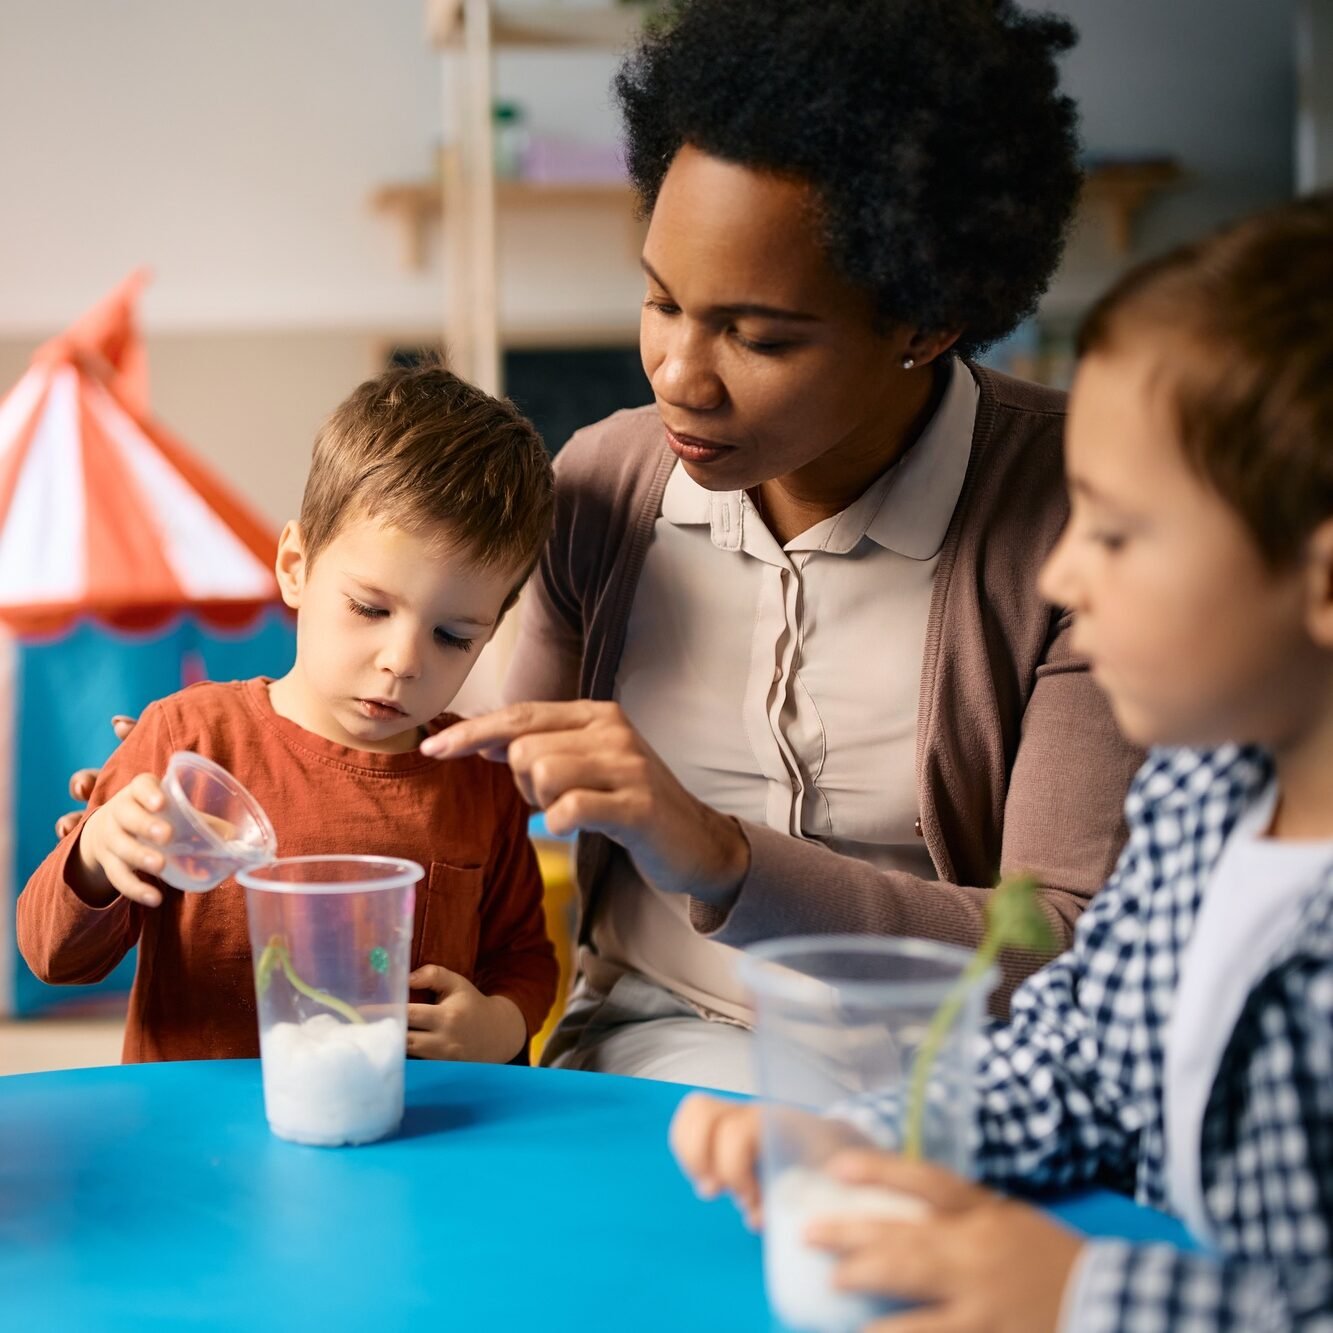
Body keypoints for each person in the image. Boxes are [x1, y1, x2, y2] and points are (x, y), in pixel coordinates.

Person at [417, 0, 1141, 1091]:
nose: (677, 374)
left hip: (943, 1085)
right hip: (650, 1051)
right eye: (661, 302)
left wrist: (722, 853)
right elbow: (477, 769)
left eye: (756, 336)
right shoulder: (604, 488)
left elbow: (1058, 942)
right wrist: (240, 754)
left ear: (926, 322)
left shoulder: (1074, 513)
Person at [671, 194, 1333, 1329]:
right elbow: (1078, 1056)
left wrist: (1085, 1296)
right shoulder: (1201, 791)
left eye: (1117, 533)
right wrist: (875, 1130)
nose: (1062, 575)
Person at [21, 363, 558, 1066]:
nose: (402, 659)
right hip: (200, 1142)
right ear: (296, 566)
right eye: (370, 608)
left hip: (405, 1141)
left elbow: (523, 954)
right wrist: (95, 857)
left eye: (452, 636)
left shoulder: (476, 778)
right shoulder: (187, 741)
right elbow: (52, 954)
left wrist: (502, 1023)